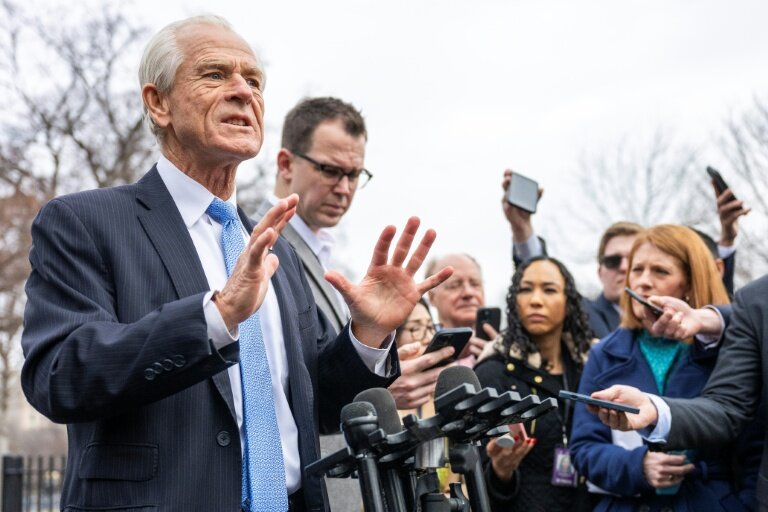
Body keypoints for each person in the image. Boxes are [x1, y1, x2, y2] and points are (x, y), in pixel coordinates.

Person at [20, 16, 452, 512]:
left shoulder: (274, 250)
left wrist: (367, 336)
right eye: (214, 74)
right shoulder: (84, 222)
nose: (243, 92)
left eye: (254, 80)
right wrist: (216, 317)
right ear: (158, 102)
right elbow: (59, 377)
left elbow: (321, 407)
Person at [570, 224, 759, 511]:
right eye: (637, 269)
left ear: (690, 283)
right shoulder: (603, 354)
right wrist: (638, 467)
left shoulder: (725, 347)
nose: (643, 282)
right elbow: (583, 449)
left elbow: (752, 450)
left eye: (661, 271)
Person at [502, 169, 747, 336]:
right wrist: (522, 229)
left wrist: (726, 239)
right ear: (599, 272)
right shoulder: (583, 315)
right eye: (613, 260)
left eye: (634, 262)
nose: (624, 268)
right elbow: (542, 282)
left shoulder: (686, 317)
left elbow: (712, 300)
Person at [473, 255, 594, 511]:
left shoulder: (590, 369)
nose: (535, 300)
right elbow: (478, 488)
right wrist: (501, 471)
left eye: (549, 290)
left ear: (569, 303)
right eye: (525, 290)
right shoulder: (493, 373)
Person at [426, 253, 488, 364]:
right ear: (432, 298)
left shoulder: (507, 349)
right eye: (454, 285)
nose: (468, 293)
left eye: (475, 284)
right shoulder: (418, 353)